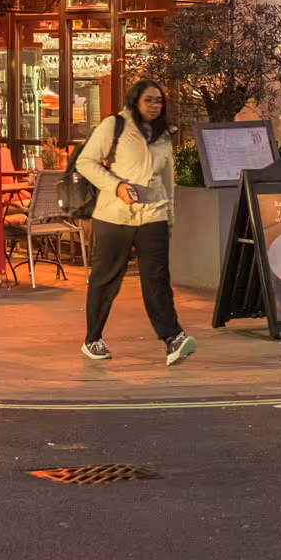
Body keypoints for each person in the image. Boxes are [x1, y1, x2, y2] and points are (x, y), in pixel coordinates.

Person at [74, 79, 195, 366]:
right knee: (106, 278)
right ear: (135, 101)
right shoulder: (114, 125)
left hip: (152, 213)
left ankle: (172, 338)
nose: (155, 105)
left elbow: (167, 180)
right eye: (149, 100)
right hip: (113, 215)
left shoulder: (164, 135)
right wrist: (115, 186)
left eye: (159, 101)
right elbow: (86, 162)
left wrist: (170, 216)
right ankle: (93, 338)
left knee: (157, 277)